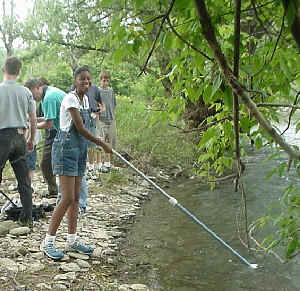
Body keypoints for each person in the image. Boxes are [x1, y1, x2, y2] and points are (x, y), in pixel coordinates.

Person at [40, 66, 112, 260]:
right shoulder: (70, 98)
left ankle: (72, 240)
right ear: (75, 80)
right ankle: (48, 242)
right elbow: (79, 127)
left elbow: (88, 128)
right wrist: (102, 144)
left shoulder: (87, 99)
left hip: (79, 151)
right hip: (65, 150)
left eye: (88, 80)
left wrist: (97, 144)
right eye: (82, 79)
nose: (86, 82)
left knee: (77, 197)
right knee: (67, 197)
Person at [0, 56, 37, 225]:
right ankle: (27, 217)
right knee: (24, 180)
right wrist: (32, 139)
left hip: (2, 137)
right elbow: (33, 119)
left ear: (3, 69)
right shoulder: (26, 92)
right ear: (19, 70)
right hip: (20, 136)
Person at [34, 78, 66, 198]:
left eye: (32, 94)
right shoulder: (48, 94)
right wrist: (33, 120)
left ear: (38, 87)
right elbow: (48, 117)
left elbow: (49, 124)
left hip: (61, 131)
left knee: (46, 164)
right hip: (61, 129)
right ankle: (60, 191)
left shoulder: (49, 98)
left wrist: (33, 126)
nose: (32, 98)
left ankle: (55, 191)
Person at [24, 78, 43, 188]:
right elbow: (30, 121)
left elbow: (33, 120)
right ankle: (27, 186)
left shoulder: (27, 101)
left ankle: (26, 186)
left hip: (29, 139)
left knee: (28, 165)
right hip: (29, 140)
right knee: (29, 166)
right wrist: (29, 138)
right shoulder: (30, 101)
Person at [97, 70, 117, 172]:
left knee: (110, 141)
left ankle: (108, 163)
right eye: (104, 80)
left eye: (107, 81)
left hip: (111, 119)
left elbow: (114, 105)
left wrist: (113, 117)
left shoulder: (111, 91)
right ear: (100, 80)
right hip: (101, 120)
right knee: (101, 142)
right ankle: (100, 163)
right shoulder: (98, 91)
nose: (105, 83)